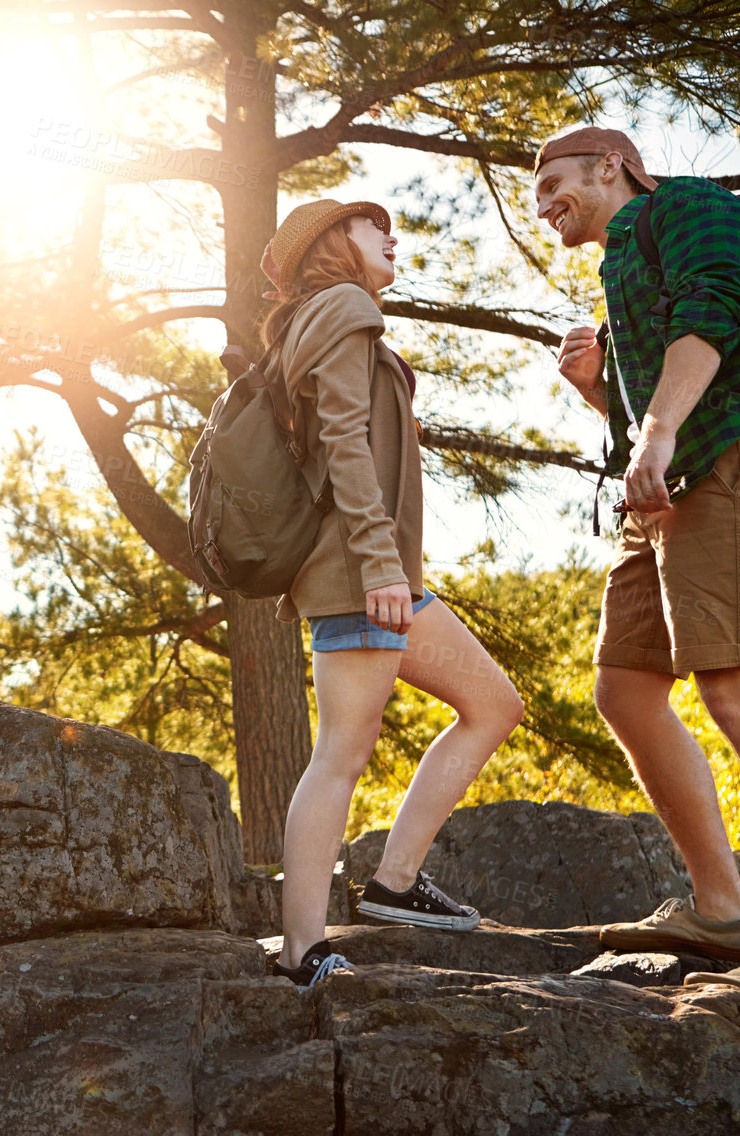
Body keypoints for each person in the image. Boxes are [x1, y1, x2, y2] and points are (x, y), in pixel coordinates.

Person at [534, 126, 740, 1003]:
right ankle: (722, 910)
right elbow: (663, 388)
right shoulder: (619, 262)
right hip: (666, 488)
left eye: (554, 182)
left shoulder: (687, 204)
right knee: (626, 686)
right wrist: (603, 395)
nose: (543, 205)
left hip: (734, 451)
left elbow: (714, 309)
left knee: (734, 685)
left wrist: (651, 430)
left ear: (611, 165)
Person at [263, 200, 527, 988]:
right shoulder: (341, 308)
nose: (393, 235)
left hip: (383, 573)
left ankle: (395, 882)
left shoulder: (325, 317)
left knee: (493, 703)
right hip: (359, 572)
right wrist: (379, 563)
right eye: (372, 225)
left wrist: (390, 568)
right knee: (341, 754)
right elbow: (343, 438)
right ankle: (299, 951)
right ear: (332, 245)